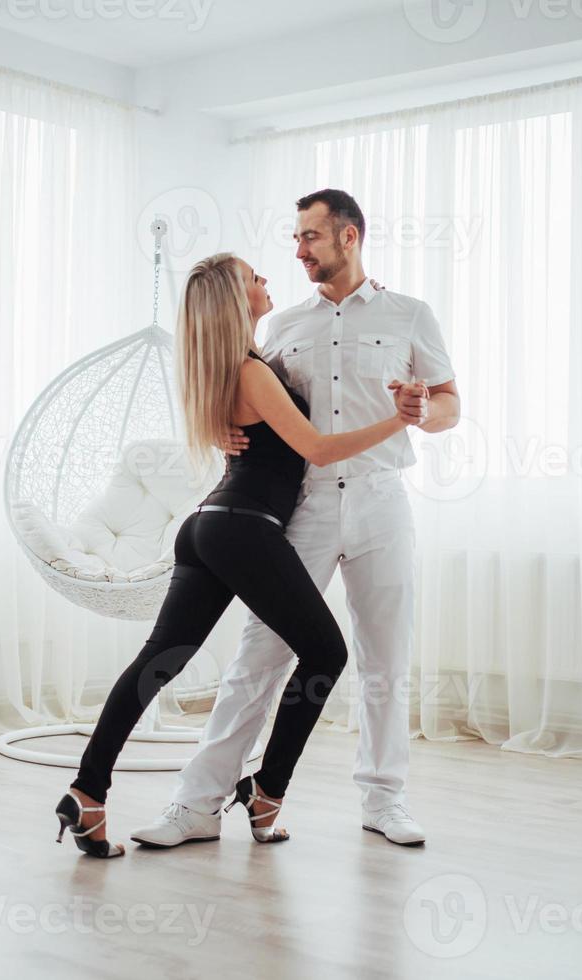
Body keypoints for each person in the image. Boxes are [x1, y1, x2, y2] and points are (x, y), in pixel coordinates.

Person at [54, 252, 415, 858]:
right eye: (254, 277)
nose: (266, 280)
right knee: (326, 651)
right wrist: (394, 421)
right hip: (244, 528)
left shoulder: (225, 368)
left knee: (160, 660)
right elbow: (320, 450)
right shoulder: (250, 372)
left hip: (206, 527)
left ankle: (88, 791)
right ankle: (267, 790)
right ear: (233, 300)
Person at [132, 189, 460, 849]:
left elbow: (451, 405)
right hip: (302, 506)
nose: (297, 249)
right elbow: (244, 388)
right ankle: (196, 804)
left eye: (309, 236)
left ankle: (382, 799)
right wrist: (224, 426)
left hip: (379, 498)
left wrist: (423, 410)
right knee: (259, 654)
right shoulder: (282, 327)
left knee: (383, 656)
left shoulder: (409, 315)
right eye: (295, 237)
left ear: (347, 236)